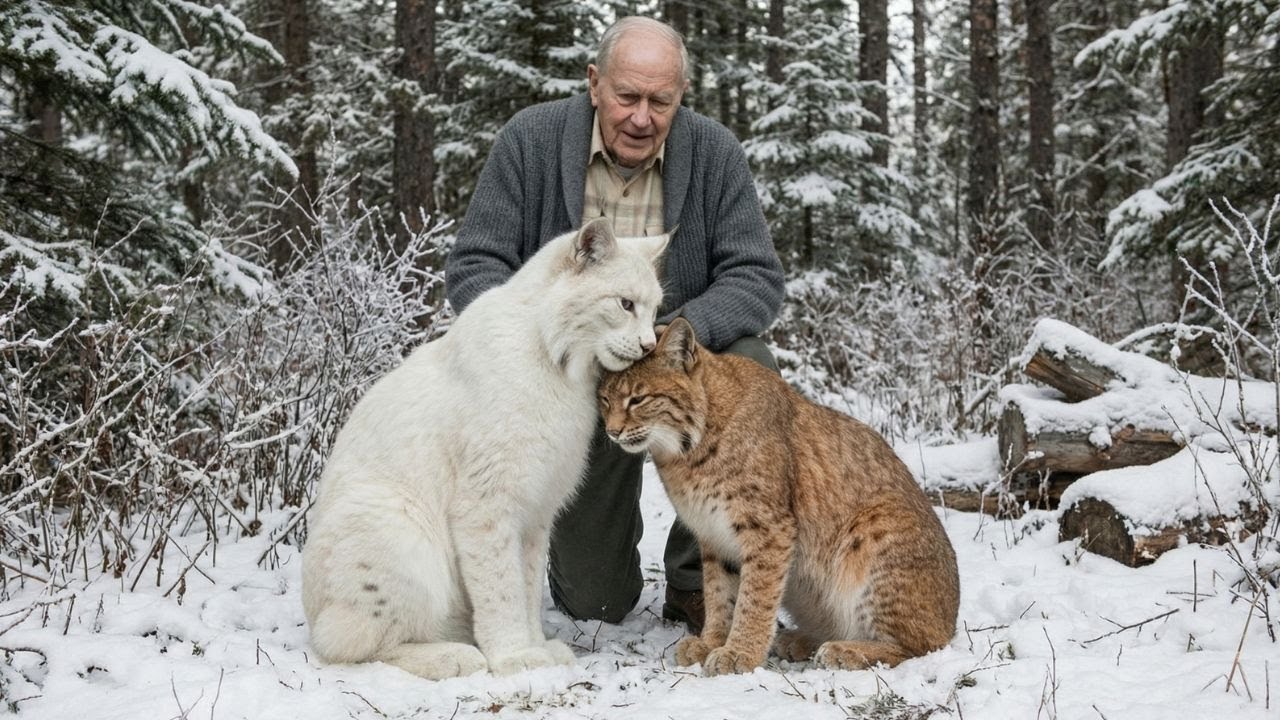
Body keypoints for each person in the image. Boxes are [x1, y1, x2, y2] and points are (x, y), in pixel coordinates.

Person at [445, 16, 784, 633]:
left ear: (681, 96)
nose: (641, 117)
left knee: (751, 359)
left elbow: (757, 278)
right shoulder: (531, 141)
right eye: (627, 96)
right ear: (595, 82)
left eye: (661, 101)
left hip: (673, 369)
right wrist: (534, 350)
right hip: (567, 381)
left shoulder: (713, 153)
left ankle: (696, 579)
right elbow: (475, 268)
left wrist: (669, 341)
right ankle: (600, 568)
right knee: (595, 603)